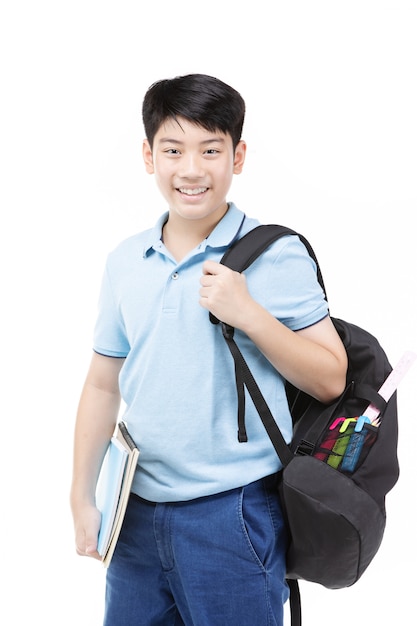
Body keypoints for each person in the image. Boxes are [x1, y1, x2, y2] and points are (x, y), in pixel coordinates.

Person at [70, 73, 348, 626]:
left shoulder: (276, 254)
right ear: (149, 156)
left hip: (234, 513)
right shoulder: (125, 261)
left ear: (237, 156)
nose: (191, 169)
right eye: (173, 150)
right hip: (135, 513)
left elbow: (331, 378)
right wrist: (81, 496)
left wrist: (249, 314)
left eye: (211, 150)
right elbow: (103, 384)